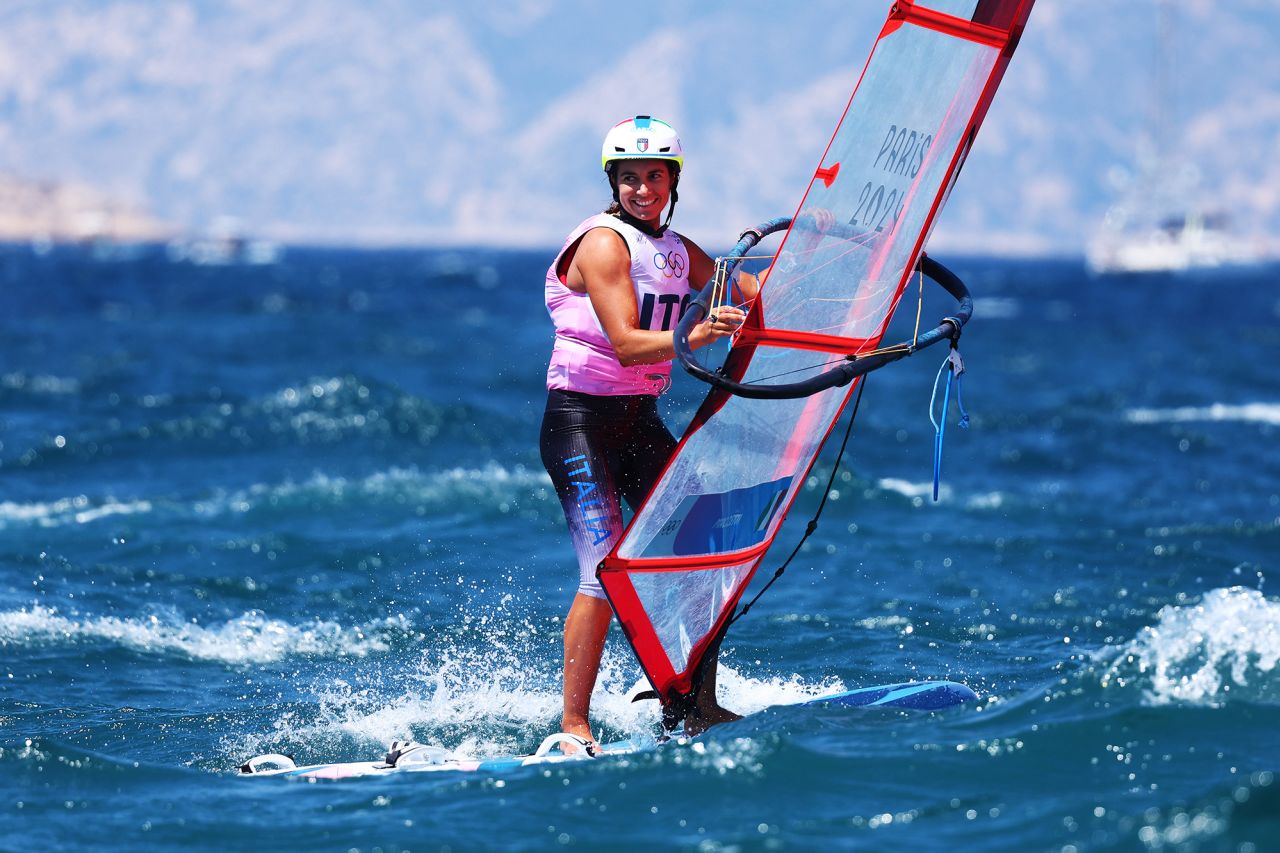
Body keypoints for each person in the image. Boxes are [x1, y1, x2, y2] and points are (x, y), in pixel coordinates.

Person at [539, 116, 753, 752]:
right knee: (603, 570)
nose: (641, 189)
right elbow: (630, 346)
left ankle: (694, 706)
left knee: (703, 550)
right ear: (614, 182)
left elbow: (749, 291)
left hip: (637, 421)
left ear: (673, 181)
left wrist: (844, 279)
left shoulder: (679, 251)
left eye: (653, 176)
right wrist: (700, 335)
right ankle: (574, 725)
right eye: (628, 178)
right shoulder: (604, 245)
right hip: (581, 424)